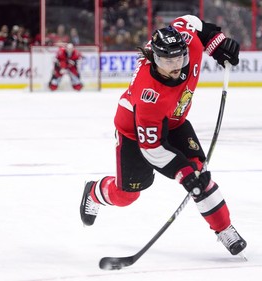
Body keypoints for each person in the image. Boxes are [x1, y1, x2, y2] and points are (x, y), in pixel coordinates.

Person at [80, 15, 247, 256]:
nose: (176, 66)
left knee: (200, 176)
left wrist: (217, 42)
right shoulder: (148, 94)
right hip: (135, 133)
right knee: (127, 195)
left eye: (180, 57)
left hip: (175, 122)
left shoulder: (187, 41)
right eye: (168, 62)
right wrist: (182, 173)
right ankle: (94, 192)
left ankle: (224, 229)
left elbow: (190, 20)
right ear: (155, 59)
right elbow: (153, 149)